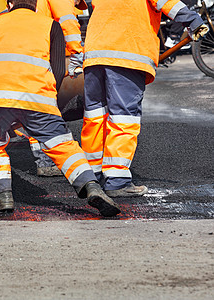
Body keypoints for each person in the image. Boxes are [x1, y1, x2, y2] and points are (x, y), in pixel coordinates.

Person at [0, 0, 121, 217]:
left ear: (9, 3)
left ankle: (4, 196)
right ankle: (91, 186)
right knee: (63, 144)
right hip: (38, 97)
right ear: (35, 5)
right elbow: (57, 67)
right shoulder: (49, 25)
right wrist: (43, 98)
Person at [82, 0, 208, 197]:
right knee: (123, 117)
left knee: (96, 116)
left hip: (94, 52)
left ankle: (90, 177)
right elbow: (167, 2)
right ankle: (117, 180)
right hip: (126, 50)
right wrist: (193, 20)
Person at [0, 0, 89, 177]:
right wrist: (76, 53)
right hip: (37, 48)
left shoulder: (1, 20)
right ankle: (47, 162)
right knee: (40, 110)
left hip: (16, 51)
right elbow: (69, 24)